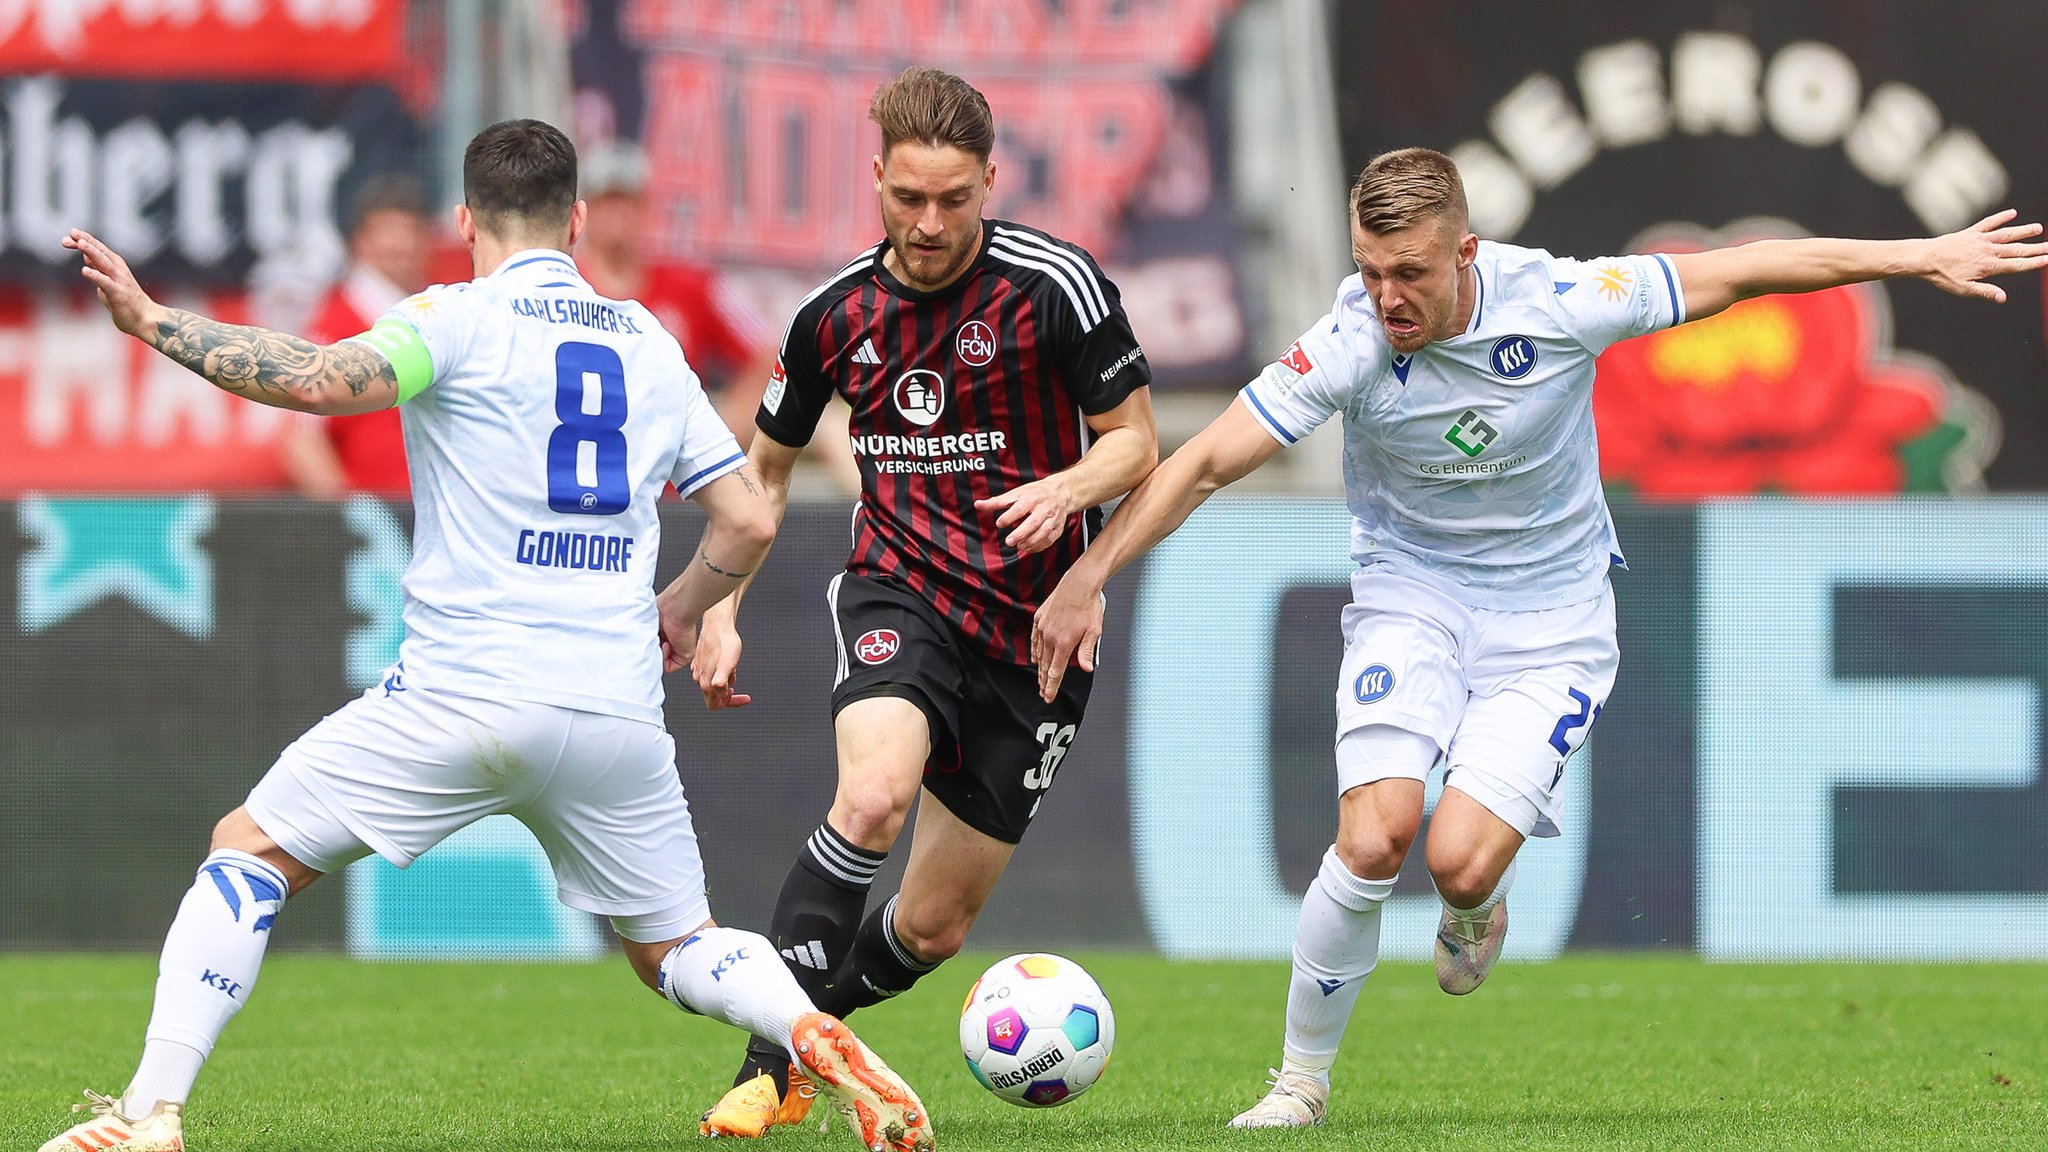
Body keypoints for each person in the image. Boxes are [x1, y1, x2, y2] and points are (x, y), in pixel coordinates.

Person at [1029, 147, 2048, 1130]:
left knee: (1461, 864)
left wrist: (1916, 256)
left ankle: (1477, 909)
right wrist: (1086, 575)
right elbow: (1204, 462)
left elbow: (1742, 272)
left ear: (1464, 254)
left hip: (1551, 623)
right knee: (1374, 836)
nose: (1387, 298)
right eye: (1369, 272)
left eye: (1410, 275)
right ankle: (1297, 1085)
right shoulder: (1346, 345)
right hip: (1410, 601)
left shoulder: (1560, 302)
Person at [41, 119, 934, 1152]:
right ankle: (801, 1026)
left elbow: (312, 382)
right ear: (579, 219)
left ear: (462, 222)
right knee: (677, 947)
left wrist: (151, 320)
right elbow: (748, 516)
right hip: (612, 712)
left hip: (461, 698)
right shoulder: (645, 340)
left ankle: (149, 1114)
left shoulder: (451, 319)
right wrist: (684, 608)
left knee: (248, 850)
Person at [689, 66, 1158, 1137]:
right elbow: (763, 471)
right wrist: (721, 605)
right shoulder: (831, 314)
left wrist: (1069, 490)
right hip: (897, 590)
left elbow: (1136, 443)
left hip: (1034, 634)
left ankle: (817, 1029)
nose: (930, 222)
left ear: (991, 179)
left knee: (933, 929)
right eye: (908, 199)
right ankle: (772, 1067)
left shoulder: (1057, 288)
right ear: (877, 181)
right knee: (870, 800)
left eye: (953, 199)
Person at [279, 174, 434, 498]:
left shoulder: (439, 313)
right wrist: (359, 520)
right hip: (384, 523)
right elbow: (303, 440)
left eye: (408, 232)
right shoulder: (336, 322)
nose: (399, 245)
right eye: (387, 232)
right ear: (360, 241)